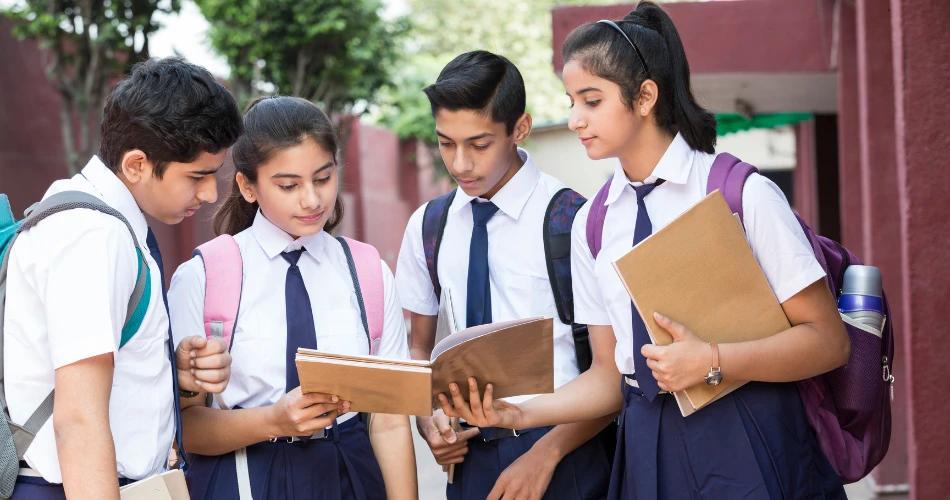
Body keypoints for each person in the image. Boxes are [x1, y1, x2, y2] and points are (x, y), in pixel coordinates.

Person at [436, 4, 850, 499]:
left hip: (751, 428)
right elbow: (609, 376)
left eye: (591, 101)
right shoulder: (595, 221)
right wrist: (522, 414)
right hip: (648, 444)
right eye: (571, 101)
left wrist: (713, 360)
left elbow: (827, 342)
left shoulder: (737, 193)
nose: (574, 120)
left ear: (645, 96)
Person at [4, 57, 241, 499]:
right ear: (135, 165)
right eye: (198, 176)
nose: (209, 194)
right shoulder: (93, 235)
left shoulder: (104, 223)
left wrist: (167, 371)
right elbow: (78, 419)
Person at [167, 96, 417, 500]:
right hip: (246, 475)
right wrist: (273, 421)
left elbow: (388, 421)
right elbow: (188, 426)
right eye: (289, 185)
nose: (312, 200)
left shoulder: (367, 271)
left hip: (350, 472)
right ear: (248, 186)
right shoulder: (204, 276)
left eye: (323, 178)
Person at [395, 50, 612, 500]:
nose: (459, 164)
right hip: (469, 459)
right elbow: (416, 345)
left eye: (478, 145)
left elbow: (614, 372)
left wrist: (545, 455)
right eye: (445, 143)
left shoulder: (573, 221)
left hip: (565, 450)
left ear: (520, 128)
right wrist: (426, 419)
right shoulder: (429, 225)